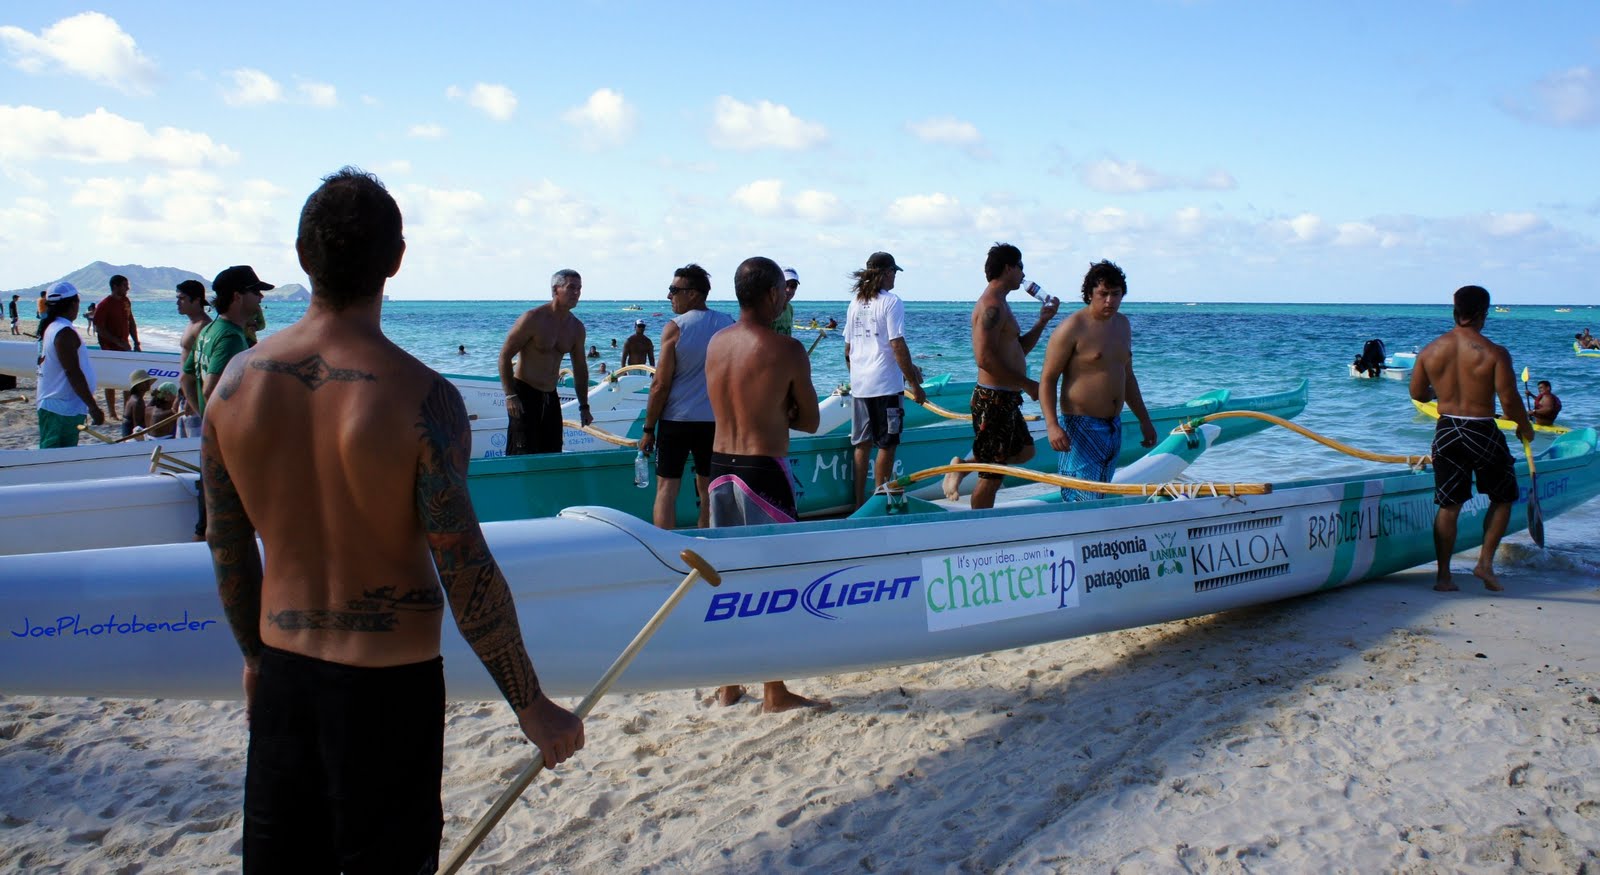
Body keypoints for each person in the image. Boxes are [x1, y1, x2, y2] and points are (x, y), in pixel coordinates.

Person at [203, 167, 583, 871]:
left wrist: (254, 658)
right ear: (397, 259)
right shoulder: (423, 399)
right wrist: (531, 704)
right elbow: (465, 567)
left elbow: (227, 543)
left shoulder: (233, 387)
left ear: (301, 252)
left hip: (284, 674)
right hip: (387, 693)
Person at [704, 256, 824, 713]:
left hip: (720, 465)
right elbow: (811, 420)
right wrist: (783, 409)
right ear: (774, 294)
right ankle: (774, 690)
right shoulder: (786, 349)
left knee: (729, 579)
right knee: (775, 582)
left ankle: (730, 683)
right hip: (762, 470)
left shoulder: (716, 344)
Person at [1408, 285, 1532, 593]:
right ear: (1483, 314)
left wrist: (1442, 391)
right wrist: (1524, 425)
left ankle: (1444, 577)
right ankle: (1484, 564)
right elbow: (1509, 400)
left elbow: (1418, 394)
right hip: (1481, 430)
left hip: (1447, 429)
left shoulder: (1430, 350)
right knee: (1503, 497)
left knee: (1449, 504)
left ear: (1455, 311)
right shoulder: (1494, 353)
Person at [1038, 259, 1155, 503]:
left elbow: (1128, 377)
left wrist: (1144, 420)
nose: (1110, 301)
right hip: (1080, 427)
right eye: (1103, 294)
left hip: (1113, 426)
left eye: (1116, 294)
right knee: (1080, 498)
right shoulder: (1072, 327)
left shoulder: (1123, 324)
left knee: (1100, 494)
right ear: (1090, 293)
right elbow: (1048, 379)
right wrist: (1051, 425)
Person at [955, 244, 1061, 509]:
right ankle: (981, 532)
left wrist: (1043, 321)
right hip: (992, 399)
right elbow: (984, 359)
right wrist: (1027, 384)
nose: (1024, 273)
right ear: (1008, 268)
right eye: (1021, 266)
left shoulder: (1002, 304)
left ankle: (964, 466)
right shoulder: (991, 306)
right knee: (992, 475)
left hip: (1007, 398)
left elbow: (1019, 350)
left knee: (1025, 452)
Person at [639, 264, 734, 529]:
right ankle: (707, 544)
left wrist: (648, 428)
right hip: (714, 422)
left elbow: (659, 384)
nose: (669, 296)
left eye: (674, 290)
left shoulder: (675, 328)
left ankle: (664, 549)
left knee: (666, 489)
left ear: (693, 294)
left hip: (677, 420)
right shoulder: (728, 324)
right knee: (708, 489)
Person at [843, 252, 925, 509]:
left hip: (860, 386)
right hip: (886, 387)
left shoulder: (854, 303)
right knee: (887, 444)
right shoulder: (892, 302)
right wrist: (915, 384)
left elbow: (848, 350)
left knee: (862, 444)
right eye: (894, 273)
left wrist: (858, 375)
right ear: (885, 273)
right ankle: (878, 504)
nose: (895, 278)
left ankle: (858, 505)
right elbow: (896, 344)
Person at [499, 269, 592, 454]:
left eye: (579, 288)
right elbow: (504, 356)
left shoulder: (576, 328)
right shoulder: (533, 318)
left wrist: (584, 406)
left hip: (550, 395)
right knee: (522, 452)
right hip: (524, 393)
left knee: (552, 451)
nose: (576, 293)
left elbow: (580, 369)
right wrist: (510, 395)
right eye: (571, 287)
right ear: (555, 289)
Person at [34, 282, 105, 447]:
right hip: (60, 409)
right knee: (52, 460)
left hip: (62, 407)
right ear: (74, 304)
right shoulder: (64, 332)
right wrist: (93, 407)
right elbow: (72, 372)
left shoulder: (54, 327)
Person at [92, 274, 141, 420]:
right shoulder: (105, 304)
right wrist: (117, 342)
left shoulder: (126, 301)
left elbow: (130, 321)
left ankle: (127, 410)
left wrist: (136, 342)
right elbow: (99, 328)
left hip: (125, 347)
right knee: (111, 381)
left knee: (128, 380)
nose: (127, 288)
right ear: (115, 287)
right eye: (125, 285)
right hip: (109, 348)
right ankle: (112, 413)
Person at [175, 280, 213, 439]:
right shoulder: (191, 324)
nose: (178, 302)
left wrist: (194, 399)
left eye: (182, 298)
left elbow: (206, 366)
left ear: (197, 300)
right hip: (186, 394)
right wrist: (180, 395)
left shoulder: (204, 326)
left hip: (195, 395)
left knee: (195, 445)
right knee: (181, 445)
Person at [121, 368, 156, 440]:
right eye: (145, 382)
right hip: (130, 440)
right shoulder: (137, 402)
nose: (148, 383)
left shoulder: (133, 398)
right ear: (137, 385)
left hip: (126, 437)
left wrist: (154, 399)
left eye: (148, 381)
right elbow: (138, 428)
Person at [769, 267, 799, 337]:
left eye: (793, 286)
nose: (788, 290)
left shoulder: (790, 308)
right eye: (785, 284)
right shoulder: (768, 308)